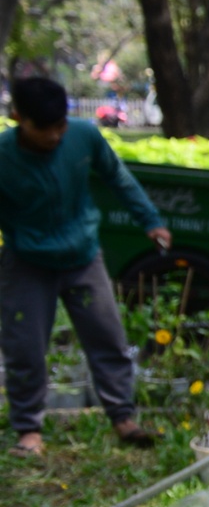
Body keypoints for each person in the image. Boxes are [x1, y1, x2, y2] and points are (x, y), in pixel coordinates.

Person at [0, 76, 169, 458]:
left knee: (107, 337)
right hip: (27, 262)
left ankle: (123, 418)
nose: (55, 136)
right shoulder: (4, 157)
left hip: (82, 257)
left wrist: (151, 220)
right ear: (17, 118)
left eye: (60, 125)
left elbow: (119, 178)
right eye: (44, 128)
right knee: (24, 347)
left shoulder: (83, 136)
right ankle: (29, 430)